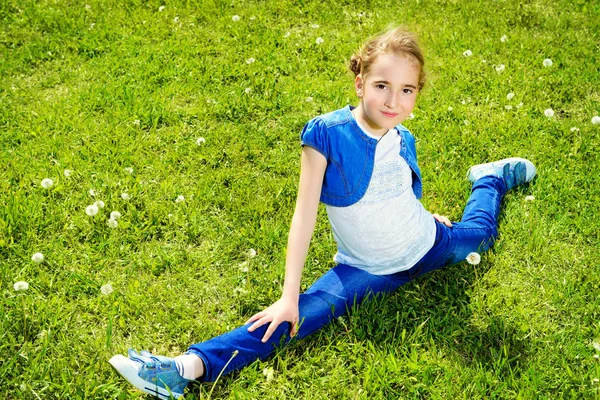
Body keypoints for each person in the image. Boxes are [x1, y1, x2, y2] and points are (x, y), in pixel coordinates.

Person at [109, 26, 536, 399]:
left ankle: (490, 179)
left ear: (417, 94)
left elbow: (398, 192)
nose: (393, 100)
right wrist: (288, 296)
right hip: (367, 269)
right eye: (382, 85)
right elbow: (304, 215)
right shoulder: (327, 135)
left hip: (427, 244)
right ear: (360, 82)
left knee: (479, 235)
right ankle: (182, 370)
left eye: (407, 90)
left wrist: (427, 219)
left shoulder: (403, 136)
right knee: (297, 318)